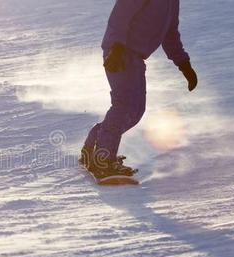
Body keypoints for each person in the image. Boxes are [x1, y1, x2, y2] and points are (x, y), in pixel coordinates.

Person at [79, 0, 198, 178]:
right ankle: (102, 161)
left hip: (133, 57)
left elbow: (170, 34)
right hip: (120, 53)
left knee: (134, 110)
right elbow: (120, 16)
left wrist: (184, 64)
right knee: (125, 107)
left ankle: (94, 148)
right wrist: (117, 47)